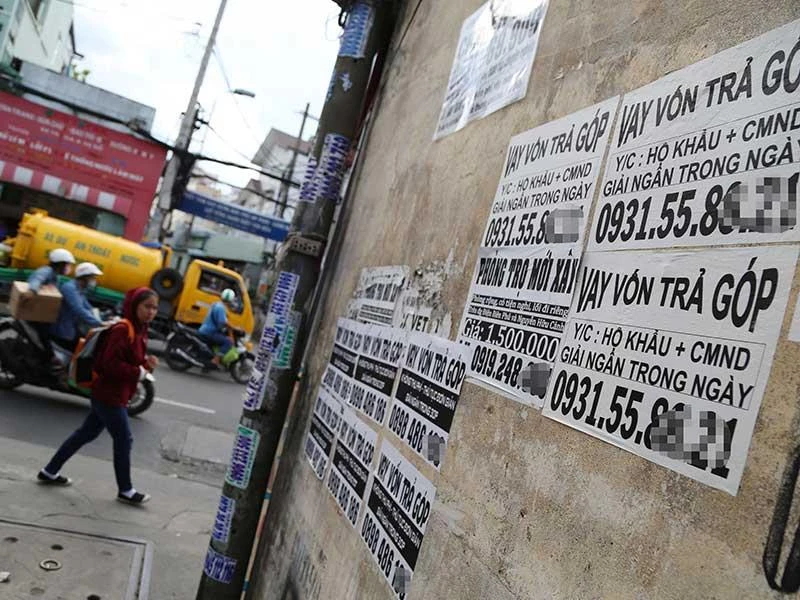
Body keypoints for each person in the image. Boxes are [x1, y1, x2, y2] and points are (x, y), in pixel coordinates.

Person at [37, 287, 160, 505]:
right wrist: (138, 372)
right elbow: (108, 364)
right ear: (135, 306)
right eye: (147, 306)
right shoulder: (123, 329)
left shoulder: (140, 329)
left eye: (155, 308)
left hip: (115, 393)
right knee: (124, 439)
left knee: (85, 433)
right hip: (108, 394)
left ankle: (49, 471)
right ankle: (125, 490)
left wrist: (146, 364)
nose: (151, 312)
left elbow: (130, 360)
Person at [25, 248, 76, 358]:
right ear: (59, 264)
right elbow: (37, 279)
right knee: (44, 336)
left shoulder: (56, 276)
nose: (67, 267)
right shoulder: (46, 271)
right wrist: (32, 290)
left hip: (44, 313)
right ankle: (49, 358)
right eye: (66, 265)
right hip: (35, 313)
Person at [50, 262, 104, 352]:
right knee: (83, 349)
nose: (94, 280)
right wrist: (98, 323)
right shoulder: (70, 288)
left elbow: (88, 307)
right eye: (93, 277)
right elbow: (79, 309)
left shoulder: (80, 289)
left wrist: (104, 318)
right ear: (85, 277)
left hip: (72, 328)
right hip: (63, 330)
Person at [198, 288, 235, 361]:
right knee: (228, 342)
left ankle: (208, 359)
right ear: (231, 300)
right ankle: (216, 360)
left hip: (204, 329)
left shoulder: (216, 304)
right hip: (210, 332)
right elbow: (223, 322)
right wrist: (233, 327)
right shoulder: (221, 308)